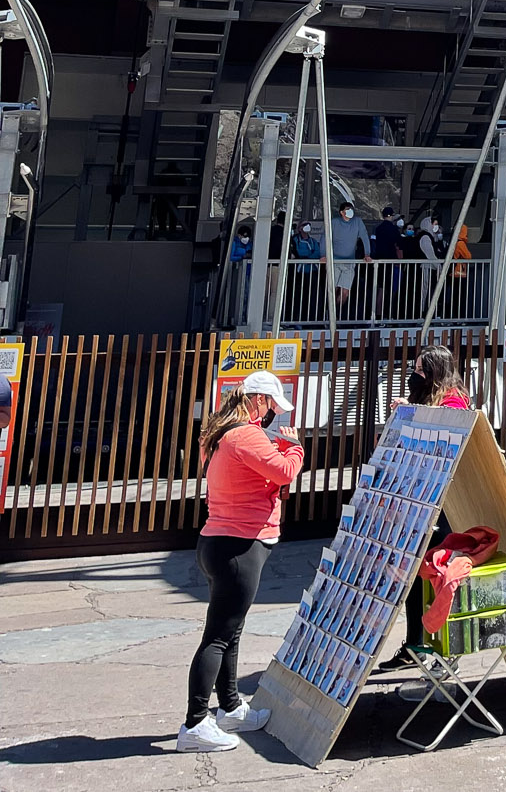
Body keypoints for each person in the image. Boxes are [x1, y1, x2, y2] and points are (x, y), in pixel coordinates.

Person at [178, 370, 303, 753]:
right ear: (258, 401)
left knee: (229, 631)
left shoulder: (218, 436)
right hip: (239, 546)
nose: (273, 416)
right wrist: (296, 447)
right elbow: (283, 471)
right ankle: (195, 723)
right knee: (218, 637)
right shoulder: (245, 435)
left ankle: (230, 706)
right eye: (271, 407)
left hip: (219, 540)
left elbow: (257, 474)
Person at [378, 346, 472, 673]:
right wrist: (409, 410)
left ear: (435, 372)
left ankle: (440, 649)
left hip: (442, 506)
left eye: (420, 370)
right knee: (413, 575)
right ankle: (414, 645)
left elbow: (446, 436)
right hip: (422, 501)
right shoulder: (433, 398)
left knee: (435, 574)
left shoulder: (454, 401)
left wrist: (416, 412)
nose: (414, 375)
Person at [329, 198, 370, 316]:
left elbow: (364, 236)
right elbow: (326, 238)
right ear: (341, 212)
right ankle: (329, 314)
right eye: (347, 210)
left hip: (349, 262)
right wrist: (324, 255)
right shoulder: (334, 222)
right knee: (333, 290)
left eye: (351, 209)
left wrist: (367, 254)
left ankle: (337, 315)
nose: (350, 211)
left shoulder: (357, 222)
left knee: (345, 292)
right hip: (335, 262)